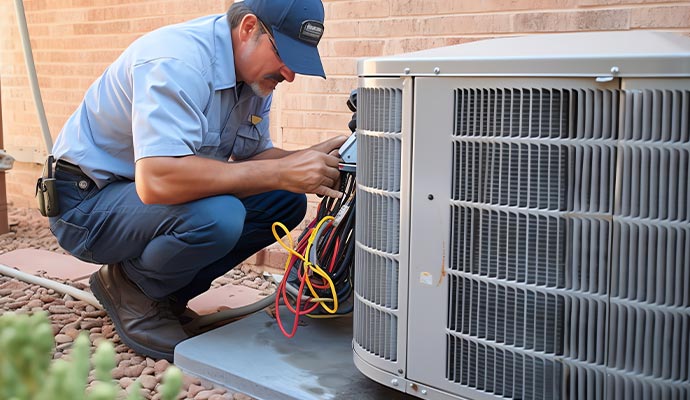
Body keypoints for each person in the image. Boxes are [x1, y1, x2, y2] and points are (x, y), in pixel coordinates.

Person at [48, 0, 346, 362]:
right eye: (284, 55)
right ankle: (133, 289)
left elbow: (251, 162)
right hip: (85, 205)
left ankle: (167, 294)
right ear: (249, 28)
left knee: (284, 200)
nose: (289, 74)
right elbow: (158, 181)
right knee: (218, 216)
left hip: (141, 202)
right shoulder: (177, 62)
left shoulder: (254, 80)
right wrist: (281, 171)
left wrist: (308, 158)